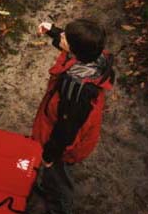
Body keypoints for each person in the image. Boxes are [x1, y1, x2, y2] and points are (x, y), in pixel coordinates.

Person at [32, 18, 115, 214]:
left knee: (58, 176)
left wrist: (50, 154)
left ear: (76, 51)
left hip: (65, 145)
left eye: (65, 37)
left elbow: (66, 128)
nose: (61, 36)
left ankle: (59, 206)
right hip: (68, 133)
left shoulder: (77, 90)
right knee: (54, 174)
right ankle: (48, 188)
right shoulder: (94, 58)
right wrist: (52, 30)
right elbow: (75, 46)